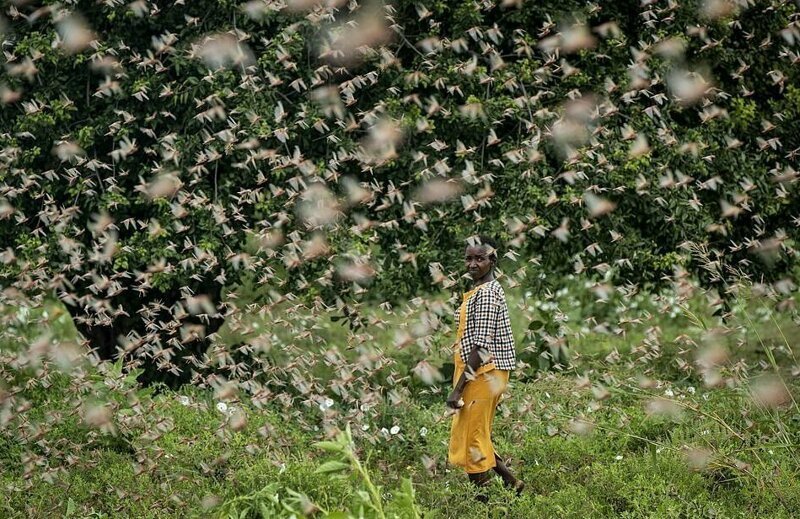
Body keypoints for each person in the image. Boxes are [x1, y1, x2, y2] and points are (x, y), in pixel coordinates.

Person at [446, 235, 524, 501]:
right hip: (479, 372)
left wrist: (457, 391)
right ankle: (513, 484)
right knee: (478, 434)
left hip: (484, 373)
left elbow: (481, 347)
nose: (472, 263)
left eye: (479, 258)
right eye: (469, 258)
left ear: (492, 259)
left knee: (472, 442)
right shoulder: (479, 291)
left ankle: (487, 506)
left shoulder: (488, 295)